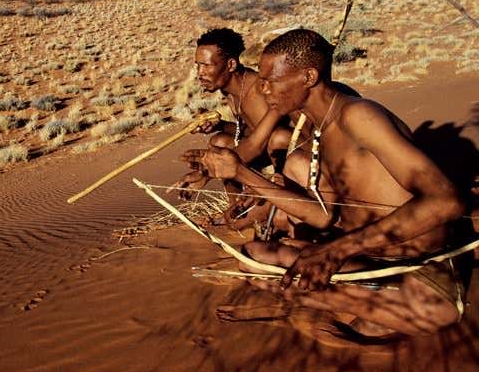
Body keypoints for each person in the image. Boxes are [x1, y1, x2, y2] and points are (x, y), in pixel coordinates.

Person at [182, 28, 467, 336]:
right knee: (255, 259)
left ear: (308, 77)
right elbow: (322, 214)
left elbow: (446, 202)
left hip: (419, 270)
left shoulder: (359, 116)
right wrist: (241, 173)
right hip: (368, 260)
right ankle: (351, 307)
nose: (262, 90)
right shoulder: (316, 128)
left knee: (432, 310)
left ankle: (332, 307)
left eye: (271, 81)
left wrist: (336, 251)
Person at [172, 28, 291, 227]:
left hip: (287, 158)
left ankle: (266, 208)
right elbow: (251, 130)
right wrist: (222, 125)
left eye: (207, 66)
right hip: (263, 146)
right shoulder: (231, 91)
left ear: (231, 64)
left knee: (274, 139)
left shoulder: (255, 91)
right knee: (219, 140)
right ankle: (235, 208)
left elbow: (260, 143)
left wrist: (205, 173)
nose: (200, 73)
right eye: (198, 65)